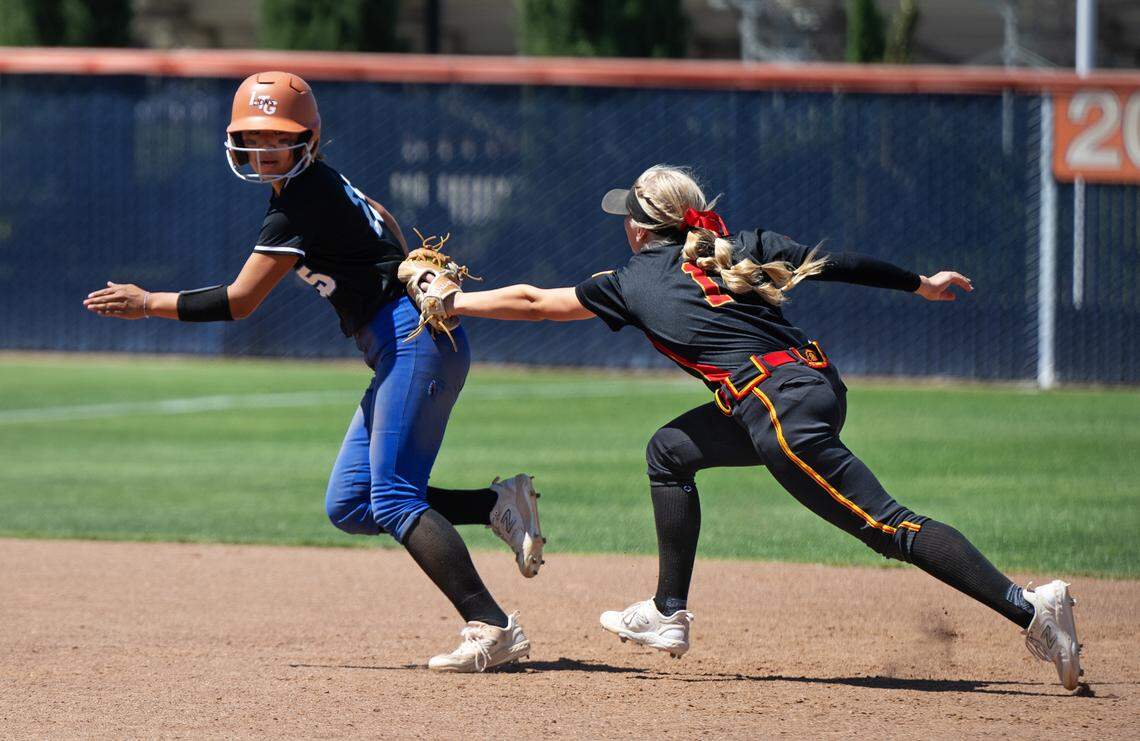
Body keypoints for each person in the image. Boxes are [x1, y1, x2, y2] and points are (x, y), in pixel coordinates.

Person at [404, 164, 1083, 690]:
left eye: (627, 216)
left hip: (777, 409)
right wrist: (919, 283)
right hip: (812, 384)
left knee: (887, 525)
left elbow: (534, 301)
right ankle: (669, 610)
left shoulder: (633, 279)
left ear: (642, 228)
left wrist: (454, 301)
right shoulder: (732, 248)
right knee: (669, 451)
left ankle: (1031, 608)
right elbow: (833, 262)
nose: (625, 226)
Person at [82, 71, 545, 673]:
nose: (264, 150)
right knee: (353, 503)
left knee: (396, 499)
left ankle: (492, 625)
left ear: (310, 139)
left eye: (279, 138)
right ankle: (494, 504)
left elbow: (240, 301)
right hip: (401, 343)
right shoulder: (317, 187)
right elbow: (380, 214)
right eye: (252, 137)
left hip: (413, 342)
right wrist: (397, 261)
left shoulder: (298, 203)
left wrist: (149, 303)